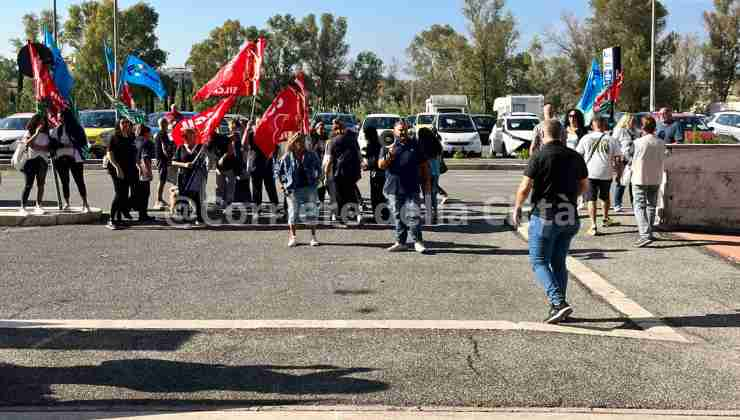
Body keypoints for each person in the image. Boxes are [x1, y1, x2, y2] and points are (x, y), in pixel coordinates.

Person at [512, 119, 589, 324]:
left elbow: (525, 187)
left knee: (538, 262)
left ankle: (558, 303)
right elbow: (584, 185)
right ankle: (558, 307)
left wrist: (517, 207)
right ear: (562, 134)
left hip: (545, 216)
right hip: (570, 216)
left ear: (542, 135)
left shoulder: (538, 156)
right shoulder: (575, 156)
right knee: (558, 262)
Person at [378, 120, 431, 253]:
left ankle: (417, 242)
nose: (403, 132)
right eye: (400, 130)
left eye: (405, 129)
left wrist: (427, 183)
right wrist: (390, 153)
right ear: (394, 131)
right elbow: (381, 165)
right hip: (394, 187)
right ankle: (401, 242)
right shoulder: (387, 145)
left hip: (412, 187)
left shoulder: (415, 144)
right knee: (397, 216)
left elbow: (424, 165)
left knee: (414, 215)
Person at [576, 115, 623, 236]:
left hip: (589, 173)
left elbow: (578, 156)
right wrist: (619, 173)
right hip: (606, 173)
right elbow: (618, 159)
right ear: (604, 125)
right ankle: (605, 218)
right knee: (605, 197)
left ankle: (593, 225)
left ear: (592, 125)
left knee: (591, 199)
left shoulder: (585, 138)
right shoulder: (611, 139)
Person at [277, 133, 322, 247]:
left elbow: (319, 168)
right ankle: (293, 237)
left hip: (309, 187)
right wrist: (283, 184)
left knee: (311, 213)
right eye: (299, 141)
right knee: (293, 213)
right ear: (293, 142)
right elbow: (279, 171)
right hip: (293, 189)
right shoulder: (287, 156)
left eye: (303, 141)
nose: (302, 143)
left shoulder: (311, 154)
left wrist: (317, 181)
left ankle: (313, 237)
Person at [631, 115, 666, 248]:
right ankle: (649, 232)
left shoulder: (637, 142)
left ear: (642, 128)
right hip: (656, 177)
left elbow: (630, 157)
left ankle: (645, 234)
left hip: (640, 177)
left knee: (639, 206)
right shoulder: (661, 142)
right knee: (651, 205)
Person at [51, 117, 91, 212]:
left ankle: (85, 203)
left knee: (79, 181)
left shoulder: (77, 129)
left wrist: (73, 143)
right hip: (60, 158)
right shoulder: (57, 129)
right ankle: (67, 203)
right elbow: (52, 143)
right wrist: (64, 145)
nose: (60, 120)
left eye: (62, 117)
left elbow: (83, 142)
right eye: (59, 118)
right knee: (65, 182)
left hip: (75, 158)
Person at [328, 119, 362, 224]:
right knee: (351, 194)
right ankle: (358, 216)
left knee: (340, 196)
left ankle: (342, 218)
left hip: (338, 172)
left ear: (335, 130)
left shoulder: (332, 141)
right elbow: (358, 155)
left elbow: (329, 159)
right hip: (351, 172)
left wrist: (326, 173)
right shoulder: (352, 139)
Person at [105, 119, 137, 229]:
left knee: (124, 194)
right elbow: (109, 154)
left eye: (127, 123)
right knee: (119, 193)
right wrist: (117, 168)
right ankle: (111, 219)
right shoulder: (113, 137)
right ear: (118, 124)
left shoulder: (130, 136)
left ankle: (119, 219)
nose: (125, 125)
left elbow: (133, 152)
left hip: (129, 169)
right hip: (117, 169)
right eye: (123, 123)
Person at [172, 128, 207, 226]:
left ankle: (199, 218)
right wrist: (184, 165)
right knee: (184, 197)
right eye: (188, 136)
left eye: (193, 135)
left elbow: (205, 159)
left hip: (196, 176)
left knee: (197, 197)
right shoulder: (181, 148)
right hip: (183, 175)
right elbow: (173, 161)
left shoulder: (200, 147)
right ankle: (185, 219)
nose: (192, 137)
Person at [18, 114, 50, 216]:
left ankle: (38, 205)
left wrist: (38, 147)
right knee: (28, 185)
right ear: (35, 122)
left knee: (41, 185)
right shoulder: (30, 132)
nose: (42, 123)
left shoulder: (46, 134)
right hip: (31, 160)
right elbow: (28, 143)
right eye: (40, 121)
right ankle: (23, 207)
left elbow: (47, 147)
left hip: (43, 161)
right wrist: (36, 133)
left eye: (43, 121)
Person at [611, 113, 639, 213]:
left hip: (634, 160)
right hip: (623, 159)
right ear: (626, 121)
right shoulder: (619, 130)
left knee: (633, 183)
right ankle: (617, 204)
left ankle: (634, 204)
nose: (634, 122)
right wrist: (616, 157)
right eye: (632, 120)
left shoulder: (636, 131)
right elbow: (614, 143)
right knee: (621, 182)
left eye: (634, 120)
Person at [417, 127, 443, 223]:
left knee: (426, 193)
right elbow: (440, 158)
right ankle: (435, 212)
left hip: (425, 171)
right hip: (436, 171)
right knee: (433, 192)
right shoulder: (436, 143)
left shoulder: (420, 145)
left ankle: (429, 213)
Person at [362, 125, 388, 221]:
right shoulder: (380, 143)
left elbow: (372, 161)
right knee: (381, 195)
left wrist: (366, 166)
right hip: (383, 172)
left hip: (376, 173)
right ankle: (384, 214)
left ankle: (377, 217)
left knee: (376, 196)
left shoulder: (371, 145)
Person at [133, 124, 155, 222]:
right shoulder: (147, 142)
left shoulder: (136, 140)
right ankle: (143, 215)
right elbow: (145, 157)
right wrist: (149, 172)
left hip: (135, 169)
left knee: (139, 193)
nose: (151, 134)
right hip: (143, 170)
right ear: (146, 133)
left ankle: (141, 213)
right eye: (149, 132)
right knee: (145, 193)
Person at [154, 118, 175, 209]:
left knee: (162, 180)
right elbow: (164, 148)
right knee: (162, 180)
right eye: (166, 123)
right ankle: (158, 200)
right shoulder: (162, 134)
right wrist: (169, 158)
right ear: (164, 124)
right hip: (162, 160)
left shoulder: (160, 134)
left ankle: (159, 199)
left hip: (161, 159)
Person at [309, 121, 329, 203]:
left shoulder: (326, 138)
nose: (322, 130)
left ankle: (321, 200)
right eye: (320, 128)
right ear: (316, 129)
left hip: (323, 164)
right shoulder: (313, 138)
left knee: (322, 184)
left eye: (323, 128)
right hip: (314, 165)